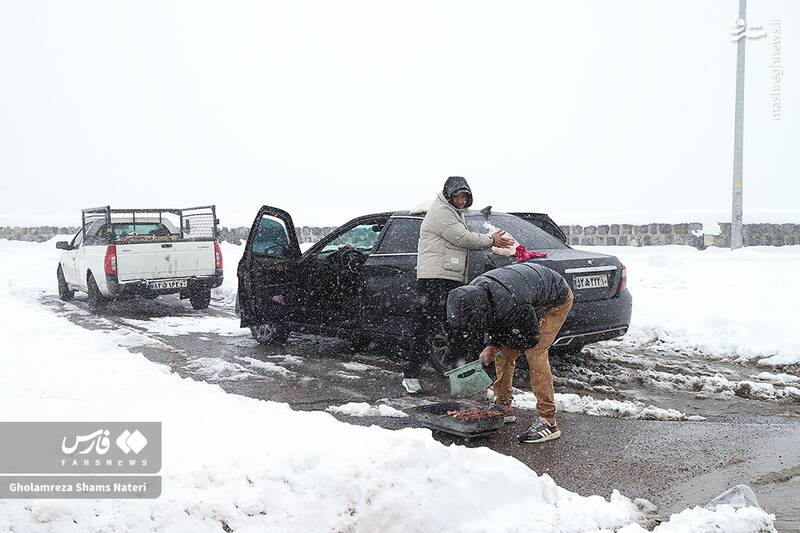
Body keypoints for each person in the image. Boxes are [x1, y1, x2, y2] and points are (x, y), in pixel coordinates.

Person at [402, 176, 515, 394]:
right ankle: (411, 375)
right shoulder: (441, 212)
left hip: (449, 278)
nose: (462, 201)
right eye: (458, 196)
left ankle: (460, 376)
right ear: (449, 195)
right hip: (434, 280)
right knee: (428, 327)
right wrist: (491, 240)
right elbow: (462, 238)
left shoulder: (454, 212)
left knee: (456, 328)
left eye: (465, 197)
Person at [446, 262, 573, 443]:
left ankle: (549, 420)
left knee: (535, 352)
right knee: (503, 353)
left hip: (557, 298)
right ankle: (503, 405)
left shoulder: (512, 303)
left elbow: (529, 338)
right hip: (525, 294)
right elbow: (497, 321)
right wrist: (493, 345)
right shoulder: (474, 293)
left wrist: (496, 345)